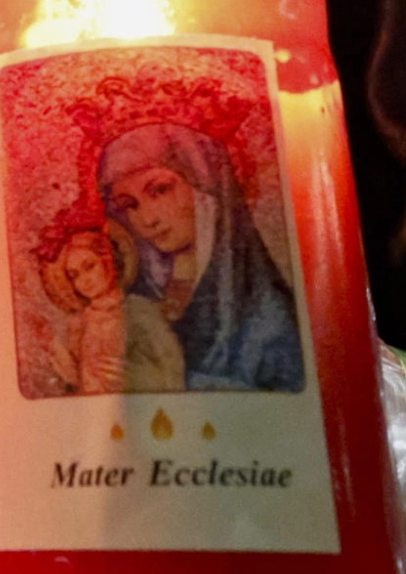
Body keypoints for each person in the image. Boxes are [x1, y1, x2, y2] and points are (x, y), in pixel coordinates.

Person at [96, 121, 304, 392]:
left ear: (204, 189)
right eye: (130, 205)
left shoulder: (267, 311)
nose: (148, 219)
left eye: (160, 190)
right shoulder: (140, 295)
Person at [35, 220, 182, 396]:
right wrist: (65, 363)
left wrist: (137, 376)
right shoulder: (79, 322)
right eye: (74, 275)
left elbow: (173, 372)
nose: (84, 280)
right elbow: (79, 381)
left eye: (89, 267)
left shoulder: (140, 310)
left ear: (110, 261)